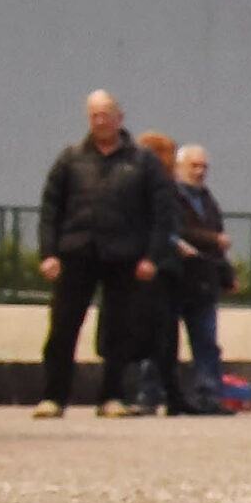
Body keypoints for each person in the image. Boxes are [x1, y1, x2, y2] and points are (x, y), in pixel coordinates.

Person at [35, 90, 172, 419]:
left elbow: (162, 213)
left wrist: (152, 256)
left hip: (124, 257)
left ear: (119, 118)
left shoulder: (143, 161)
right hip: (76, 253)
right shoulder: (70, 158)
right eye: (94, 115)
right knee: (63, 328)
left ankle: (111, 396)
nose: (100, 121)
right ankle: (53, 397)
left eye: (106, 114)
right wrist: (48, 253)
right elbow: (50, 209)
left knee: (120, 330)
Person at [170, 145, 234, 412]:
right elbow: (176, 230)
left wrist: (227, 276)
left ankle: (209, 396)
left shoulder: (208, 200)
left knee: (206, 342)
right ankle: (158, 395)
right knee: (163, 342)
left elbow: (218, 242)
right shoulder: (171, 198)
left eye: (203, 167)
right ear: (178, 168)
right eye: (194, 166)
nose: (200, 172)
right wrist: (212, 240)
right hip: (175, 280)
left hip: (204, 282)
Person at [129, 130, 186, 416]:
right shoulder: (158, 188)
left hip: (162, 268)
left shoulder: (165, 187)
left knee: (163, 333)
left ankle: (162, 393)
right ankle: (152, 393)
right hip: (158, 268)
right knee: (159, 334)